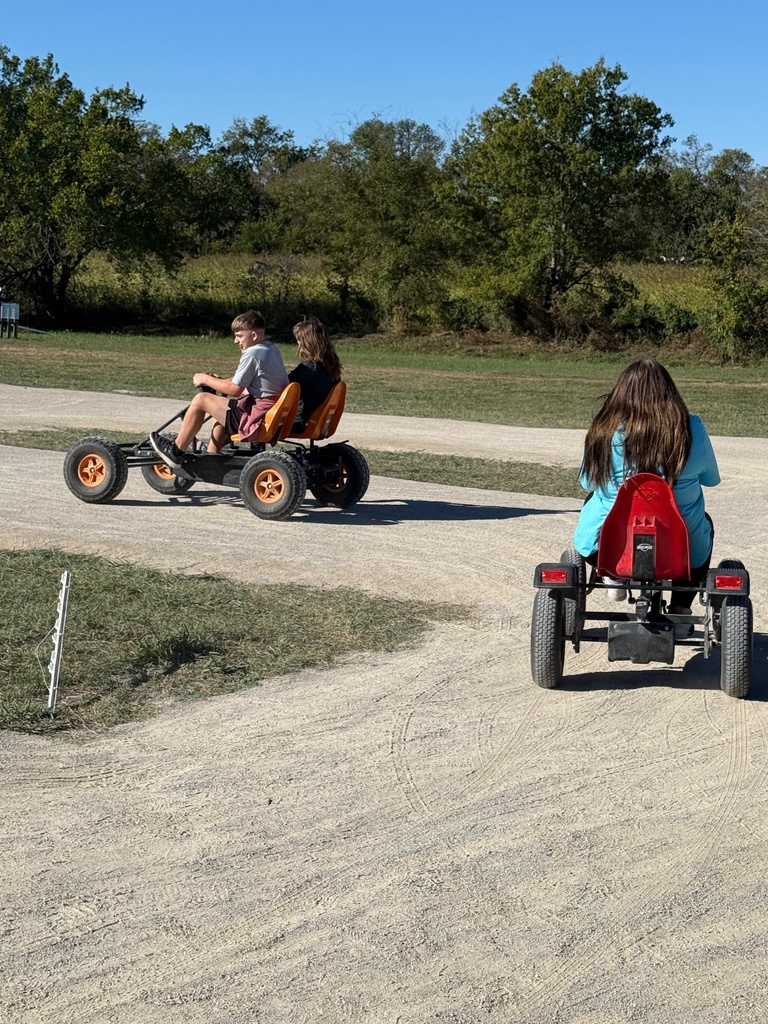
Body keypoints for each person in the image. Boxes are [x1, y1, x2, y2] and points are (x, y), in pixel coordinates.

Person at [573, 359, 720, 631]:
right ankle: (681, 608)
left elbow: (587, 482)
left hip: (607, 544)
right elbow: (712, 479)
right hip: (679, 546)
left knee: (594, 504)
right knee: (703, 524)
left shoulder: (603, 430)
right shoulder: (691, 428)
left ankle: (615, 576)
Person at [150, 310, 289, 470]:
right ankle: (212, 455)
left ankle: (175, 451)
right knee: (224, 407)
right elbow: (243, 381)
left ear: (253, 335)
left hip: (257, 418)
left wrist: (205, 379)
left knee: (201, 399)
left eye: (239, 336)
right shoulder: (271, 348)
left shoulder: (252, 354)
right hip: (270, 411)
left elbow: (235, 389)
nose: (235, 341)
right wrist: (218, 381)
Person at [287, 315, 342, 431]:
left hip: (297, 421)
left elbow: (284, 387)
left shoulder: (309, 369)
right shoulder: (332, 369)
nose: (298, 344)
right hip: (319, 421)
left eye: (299, 340)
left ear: (307, 343)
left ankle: (255, 447)